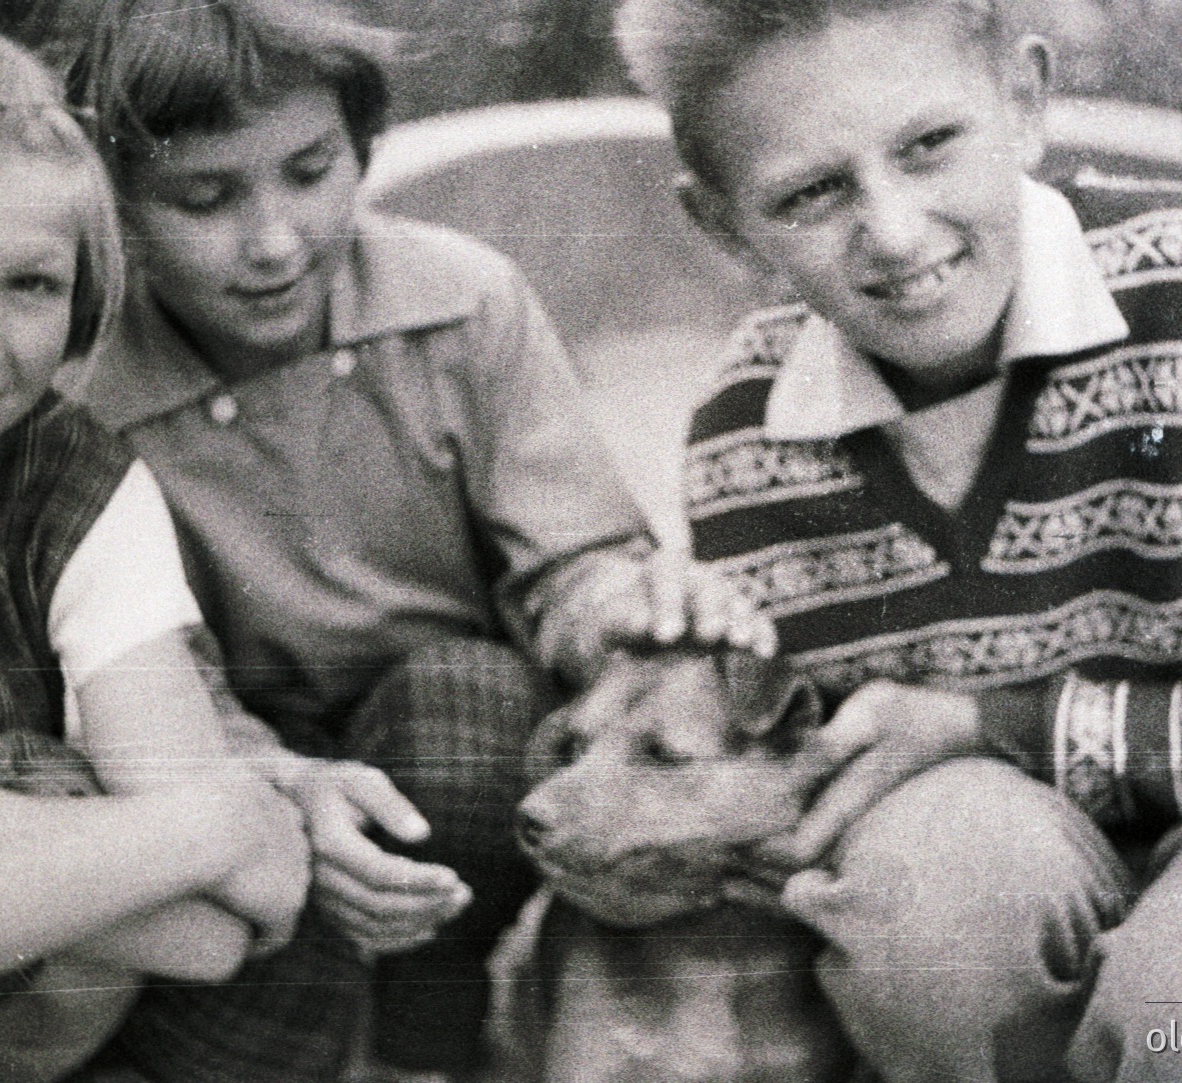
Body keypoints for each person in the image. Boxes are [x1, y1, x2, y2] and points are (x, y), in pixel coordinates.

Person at [614, 0, 1182, 1079]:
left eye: (928, 147)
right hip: (989, 851)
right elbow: (804, 747)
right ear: (723, 224)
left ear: (1022, 102)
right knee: (929, 917)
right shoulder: (746, 431)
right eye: (812, 192)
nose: (897, 232)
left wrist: (990, 725)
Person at [61, 2, 771, 1080]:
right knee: (244, 1026)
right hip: (217, 767)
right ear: (115, 203)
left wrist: (616, 604)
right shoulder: (81, 395)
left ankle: (422, 1049)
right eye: (203, 197)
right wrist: (279, 785)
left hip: (448, 773)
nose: (274, 241)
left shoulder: (464, 301)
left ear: (363, 148)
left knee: (464, 705)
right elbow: (138, 684)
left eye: (310, 171)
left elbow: (570, 562)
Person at [0, 16, 313, 1083]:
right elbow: (206, 854)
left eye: (33, 286)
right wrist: (209, 824)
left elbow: (211, 926)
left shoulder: (66, 479)